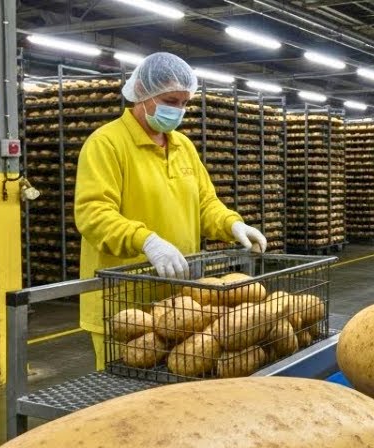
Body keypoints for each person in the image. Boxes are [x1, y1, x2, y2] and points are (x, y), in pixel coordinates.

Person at [74, 52, 267, 369]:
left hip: (181, 306)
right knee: (127, 394)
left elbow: (205, 203)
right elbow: (93, 215)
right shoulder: (106, 144)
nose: (178, 110)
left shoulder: (183, 146)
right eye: (170, 101)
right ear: (142, 93)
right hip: (125, 304)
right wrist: (146, 241)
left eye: (184, 103)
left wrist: (232, 225)